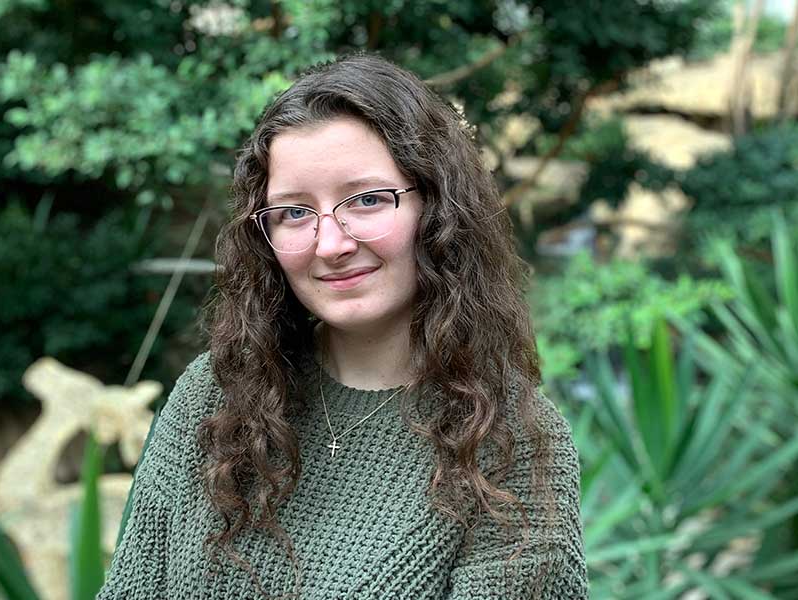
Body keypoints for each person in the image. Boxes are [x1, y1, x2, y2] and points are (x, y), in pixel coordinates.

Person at [97, 53, 588, 599]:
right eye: (293, 212)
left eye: (369, 200)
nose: (330, 244)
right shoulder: (215, 393)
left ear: (438, 208)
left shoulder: (508, 442)